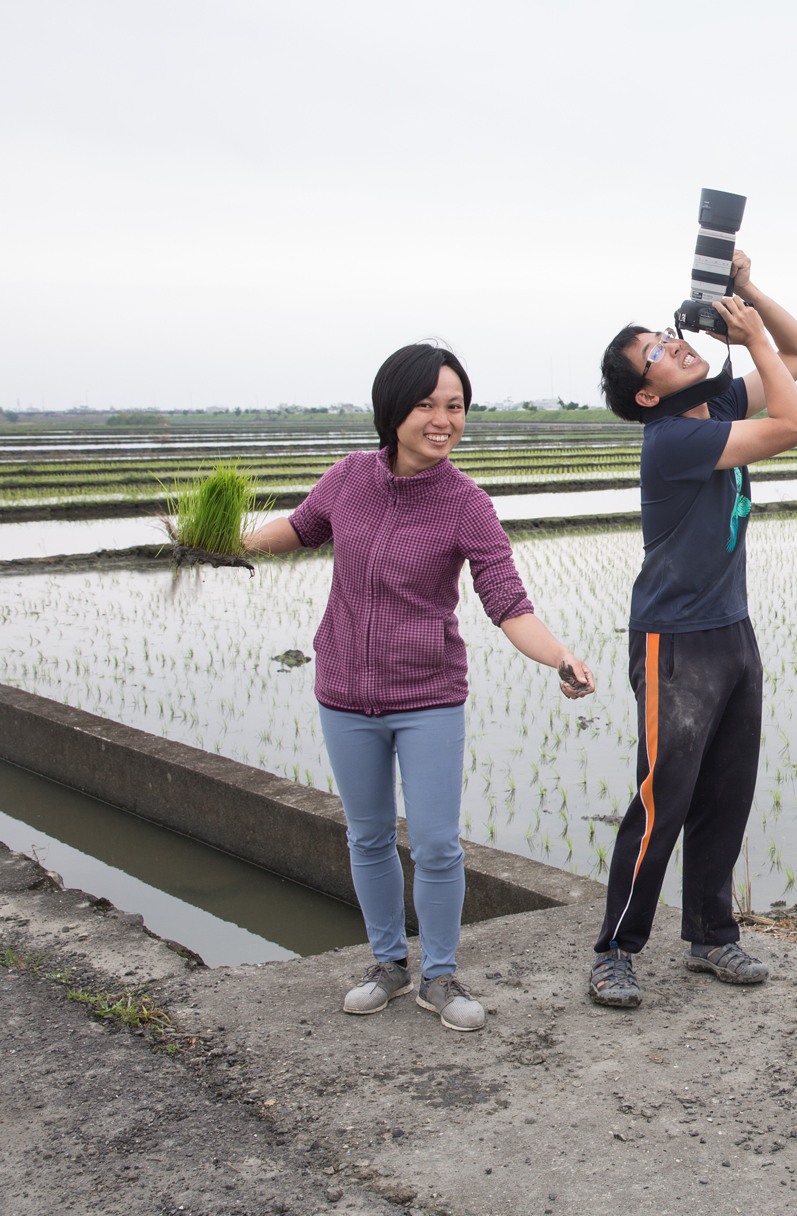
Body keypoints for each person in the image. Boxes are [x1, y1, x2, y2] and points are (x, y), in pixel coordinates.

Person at [243, 343, 594, 1032]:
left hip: (428, 696)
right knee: (369, 836)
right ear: (393, 410)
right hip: (344, 691)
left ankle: (440, 974)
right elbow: (301, 527)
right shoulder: (350, 477)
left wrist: (560, 656)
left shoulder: (466, 504)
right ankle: (387, 965)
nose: (443, 419)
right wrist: (231, 541)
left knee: (435, 843)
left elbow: (507, 601)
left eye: (455, 406)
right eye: (427, 404)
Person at [587, 252, 797, 1008]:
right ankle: (615, 950)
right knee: (664, 799)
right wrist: (749, 341)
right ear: (647, 392)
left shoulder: (712, 413)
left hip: (731, 629)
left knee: (726, 792)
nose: (676, 344)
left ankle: (712, 935)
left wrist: (745, 293)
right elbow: (794, 423)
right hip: (675, 641)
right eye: (656, 351)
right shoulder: (672, 441)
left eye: (666, 335)